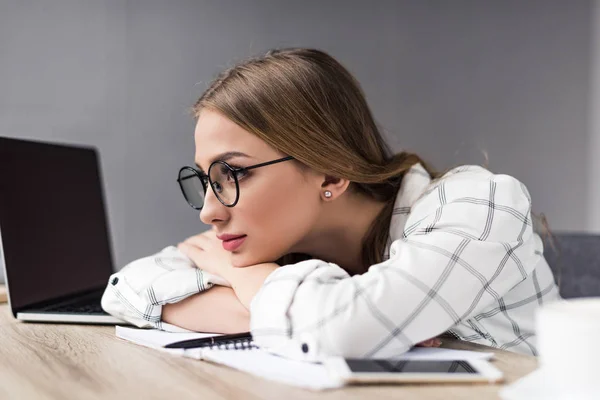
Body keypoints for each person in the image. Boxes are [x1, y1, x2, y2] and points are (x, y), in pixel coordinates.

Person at [101, 48, 560, 361]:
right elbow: (127, 287)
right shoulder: (270, 237)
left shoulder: (480, 203)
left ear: (332, 174)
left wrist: (249, 279)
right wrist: (284, 310)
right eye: (205, 181)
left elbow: (344, 328)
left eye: (234, 174)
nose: (209, 212)